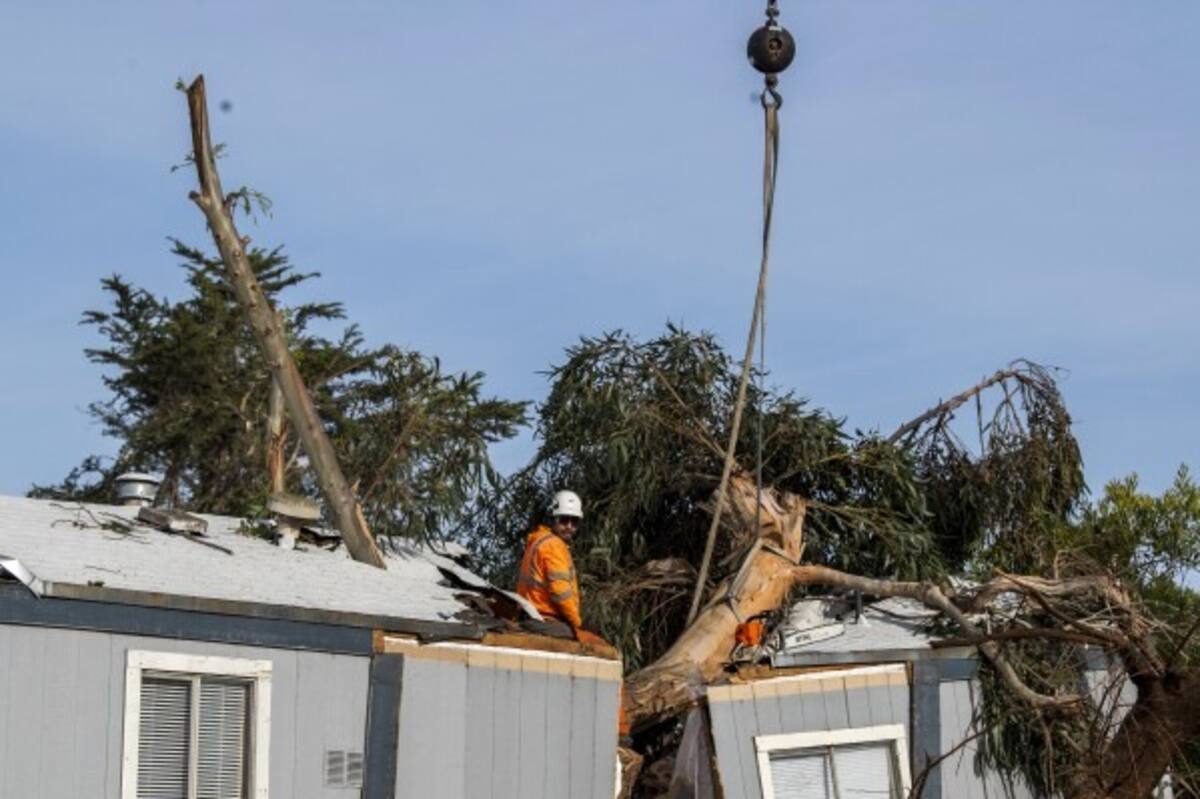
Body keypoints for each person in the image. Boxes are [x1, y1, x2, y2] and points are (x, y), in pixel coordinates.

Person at [517, 489, 588, 639]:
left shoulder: (539, 541)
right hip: (543, 619)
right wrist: (576, 622)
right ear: (553, 519)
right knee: (585, 642)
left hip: (530, 617)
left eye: (574, 521)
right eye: (564, 520)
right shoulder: (554, 546)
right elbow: (561, 593)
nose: (569, 526)